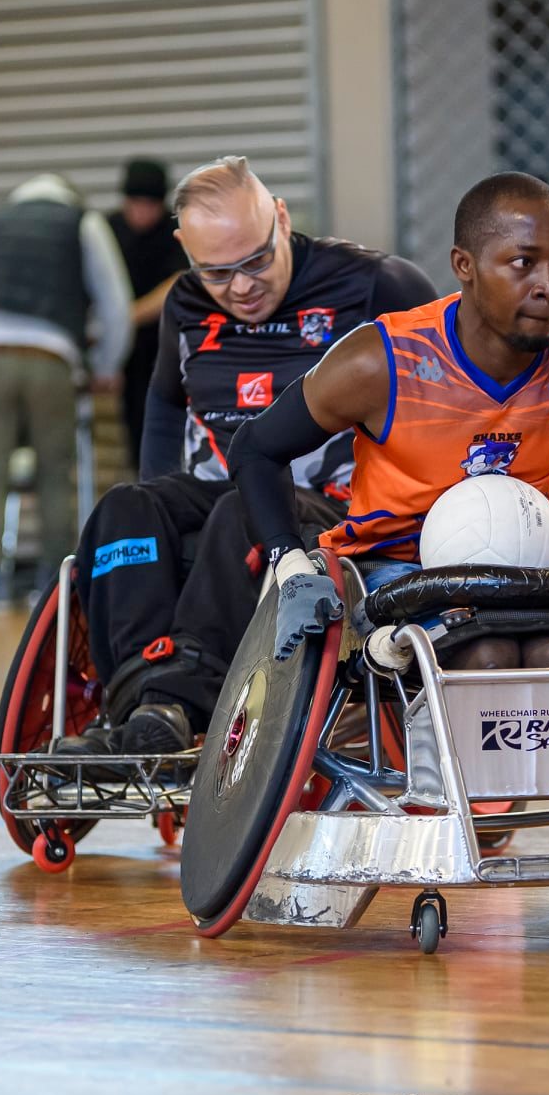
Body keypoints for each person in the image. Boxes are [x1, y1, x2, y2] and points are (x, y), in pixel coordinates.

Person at [66, 156, 435, 756]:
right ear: (185, 249)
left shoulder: (377, 284)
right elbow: (164, 402)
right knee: (125, 510)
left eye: (257, 260)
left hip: (337, 510)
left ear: (282, 220)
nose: (240, 286)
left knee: (240, 512)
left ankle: (182, 705)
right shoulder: (185, 305)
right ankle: (142, 704)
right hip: (226, 488)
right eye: (217, 272)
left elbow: (446, 395)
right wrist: (160, 492)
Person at [228, 171, 549, 674]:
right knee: (485, 656)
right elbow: (255, 449)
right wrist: (293, 568)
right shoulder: (380, 361)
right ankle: (439, 754)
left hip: (525, 556)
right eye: (524, 263)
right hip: (391, 562)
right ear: (464, 266)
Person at [0, 173, 132, 604]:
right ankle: (54, 582)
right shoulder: (83, 223)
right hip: (52, 358)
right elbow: (116, 304)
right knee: (53, 472)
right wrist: (105, 366)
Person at [106, 159, 188, 471]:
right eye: (135, 204)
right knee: (130, 432)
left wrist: (127, 316)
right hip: (122, 351)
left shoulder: (173, 230)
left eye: (149, 205)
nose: (142, 213)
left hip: (162, 345)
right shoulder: (108, 229)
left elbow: (178, 282)